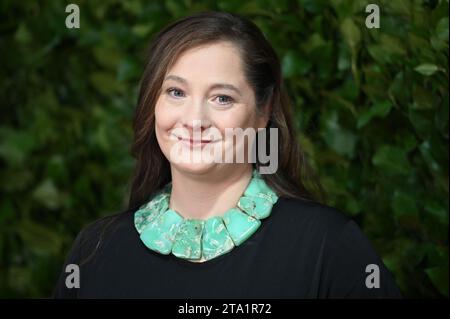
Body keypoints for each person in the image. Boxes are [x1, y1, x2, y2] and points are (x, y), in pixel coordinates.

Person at [52, 11, 402, 298]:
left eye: (222, 98)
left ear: (263, 111)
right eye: (175, 92)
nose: (194, 120)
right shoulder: (97, 250)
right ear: (151, 103)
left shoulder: (328, 245)